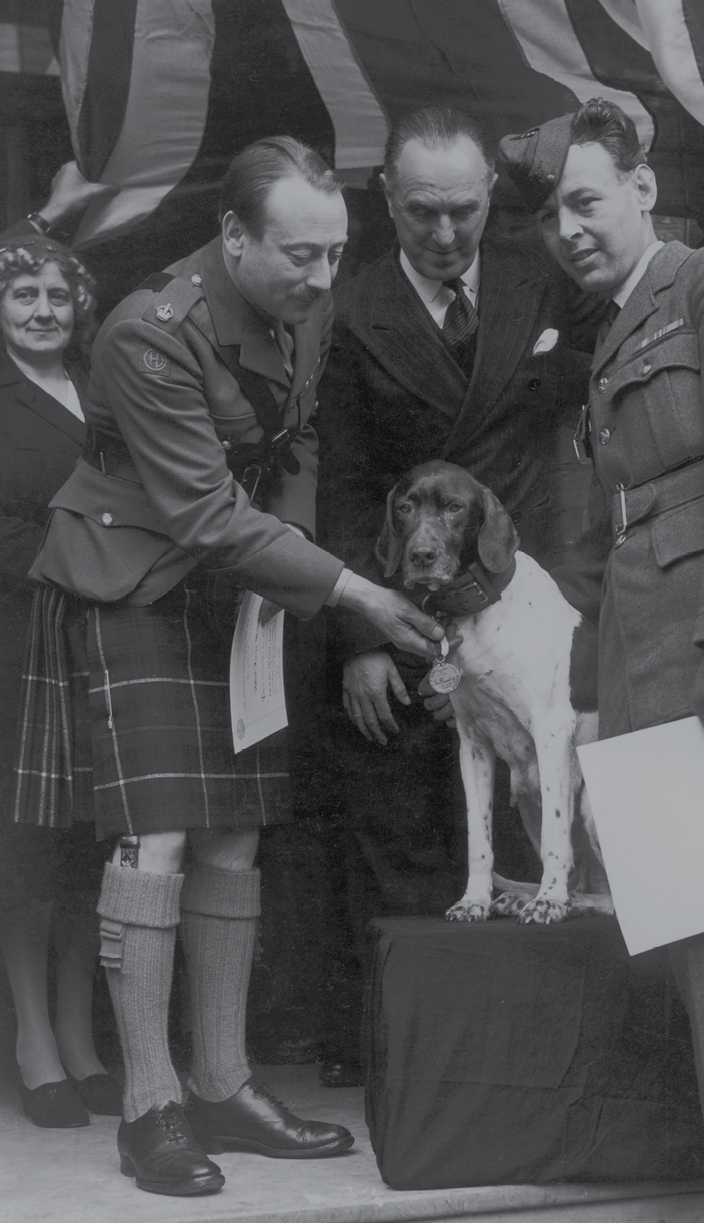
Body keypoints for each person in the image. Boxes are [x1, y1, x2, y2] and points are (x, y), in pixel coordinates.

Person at [14, 135, 443, 1197]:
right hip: (134, 586)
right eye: (298, 254)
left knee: (236, 829)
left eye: (334, 254)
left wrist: (284, 588)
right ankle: (150, 1105)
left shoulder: (308, 297)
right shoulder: (143, 333)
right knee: (156, 832)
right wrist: (353, 592)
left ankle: (221, 1080)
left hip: (239, 588)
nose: (320, 276)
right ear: (232, 234)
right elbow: (203, 510)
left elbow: (288, 452)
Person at [498, 98, 704, 1223]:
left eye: (585, 200)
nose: (569, 229)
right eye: (549, 216)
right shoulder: (615, 332)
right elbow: (618, 535)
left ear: (641, 188)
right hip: (663, 697)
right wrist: (594, 695)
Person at [314, 106, 603, 1085]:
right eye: (421, 213)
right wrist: (354, 633)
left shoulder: (538, 272)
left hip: (517, 602)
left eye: (465, 212)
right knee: (401, 830)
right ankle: (415, 1072)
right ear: (385, 199)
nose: (444, 236)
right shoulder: (349, 311)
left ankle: (522, 1075)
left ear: (492, 198)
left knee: (539, 824)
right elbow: (345, 481)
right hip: (400, 612)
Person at [0, 233, 121, 1127]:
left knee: (89, 842)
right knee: (29, 849)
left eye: (56, 294)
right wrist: (86, 559)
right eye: (21, 295)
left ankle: (82, 1035)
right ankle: (33, 1037)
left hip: (106, 636)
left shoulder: (102, 390)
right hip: (19, 636)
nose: (42, 310)